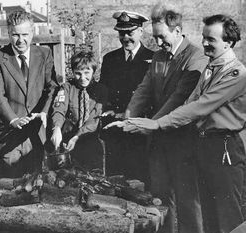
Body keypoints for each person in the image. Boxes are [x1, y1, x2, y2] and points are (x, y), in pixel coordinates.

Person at [124, 14, 246, 233]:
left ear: (228, 43)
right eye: (204, 38)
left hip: (224, 149)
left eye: (212, 40)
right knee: (210, 216)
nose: (205, 44)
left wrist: (159, 124)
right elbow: (191, 102)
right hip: (205, 146)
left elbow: (200, 107)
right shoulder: (211, 68)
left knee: (227, 218)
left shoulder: (236, 73)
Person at [104, 4, 208, 233]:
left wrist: (150, 124)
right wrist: (130, 117)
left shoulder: (195, 57)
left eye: (162, 37)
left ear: (178, 31)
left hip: (183, 141)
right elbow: (144, 89)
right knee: (161, 201)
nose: (158, 44)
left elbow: (179, 97)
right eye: (155, 38)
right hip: (159, 141)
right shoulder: (160, 56)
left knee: (188, 202)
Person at [0, 10, 57, 178]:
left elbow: (52, 87)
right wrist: (13, 120)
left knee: (35, 185)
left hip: (37, 132)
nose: (20, 40)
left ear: (32, 33)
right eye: (15, 35)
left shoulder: (44, 54)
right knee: (9, 186)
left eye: (25, 34)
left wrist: (44, 112)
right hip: (10, 133)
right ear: (8, 33)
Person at [100, 10, 154, 183]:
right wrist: (108, 109)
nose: (125, 38)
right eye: (121, 33)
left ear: (140, 31)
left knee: (139, 180)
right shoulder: (110, 59)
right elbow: (105, 91)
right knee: (115, 180)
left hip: (139, 130)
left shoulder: (153, 59)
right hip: (115, 131)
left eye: (130, 33)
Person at [50, 51, 107, 169]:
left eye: (87, 73)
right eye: (78, 73)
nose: (82, 78)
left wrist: (77, 136)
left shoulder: (101, 90)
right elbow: (59, 109)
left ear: (94, 71)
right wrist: (56, 128)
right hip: (68, 142)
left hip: (90, 142)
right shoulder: (67, 88)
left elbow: (94, 119)